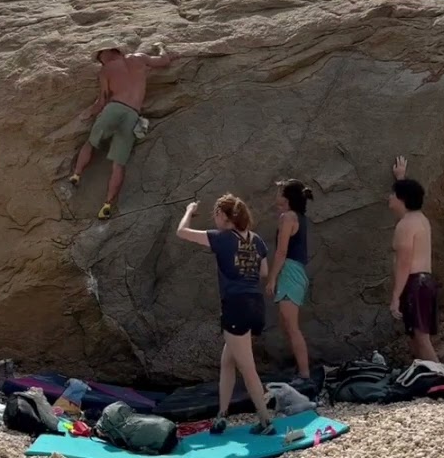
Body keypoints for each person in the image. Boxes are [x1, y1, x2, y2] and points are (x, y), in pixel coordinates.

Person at [174, 195, 277, 436]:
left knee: (247, 367)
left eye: (216, 215)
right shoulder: (256, 239)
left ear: (223, 216)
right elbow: (263, 272)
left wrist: (189, 210)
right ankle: (222, 415)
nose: (215, 219)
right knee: (228, 361)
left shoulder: (221, 238)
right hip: (255, 306)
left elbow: (182, 232)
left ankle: (265, 420)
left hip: (235, 306)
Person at [68, 41, 174, 219]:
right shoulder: (139, 59)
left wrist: (86, 114)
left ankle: (77, 175)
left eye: (100, 57)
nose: (101, 61)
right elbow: (164, 61)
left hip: (114, 107)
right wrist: (161, 47)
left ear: (108, 52)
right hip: (133, 114)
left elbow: (101, 101)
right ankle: (107, 204)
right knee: (119, 163)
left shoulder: (106, 70)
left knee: (91, 143)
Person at [388, 156, 440, 362]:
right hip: (425, 282)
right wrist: (401, 177)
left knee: (421, 337)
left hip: (415, 283)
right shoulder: (420, 219)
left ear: (401, 199)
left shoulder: (406, 225)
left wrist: (395, 296)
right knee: (414, 337)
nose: (389, 197)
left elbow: (403, 262)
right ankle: (430, 376)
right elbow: (410, 195)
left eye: (393, 194)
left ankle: (443, 379)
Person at [265, 179, 314, 390]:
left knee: (292, 327)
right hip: (296, 271)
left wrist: (273, 278)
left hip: (290, 272)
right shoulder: (298, 217)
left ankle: (304, 375)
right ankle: (300, 370)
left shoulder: (288, 217)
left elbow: (282, 251)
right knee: (287, 325)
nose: (275, 195)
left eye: (279, 191)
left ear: (286, 197)